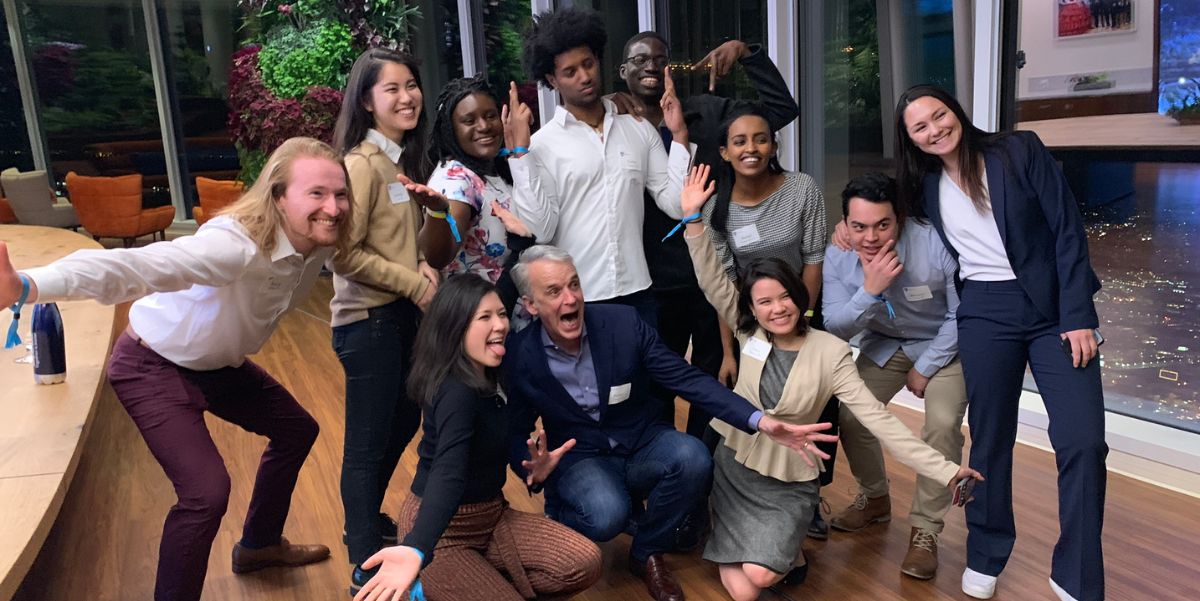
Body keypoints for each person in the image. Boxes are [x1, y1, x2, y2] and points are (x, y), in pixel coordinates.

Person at [0, 137, 343, 601]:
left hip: (218, 366)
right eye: (317, 193)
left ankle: (259, 547)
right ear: (278, 197)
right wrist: (28, 285)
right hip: (151, 365)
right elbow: (135, 266)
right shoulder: (233, 245)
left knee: (296, 430)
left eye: (340, 194)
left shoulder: (318, 240)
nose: (334, 207)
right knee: (206, 493)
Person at [680, 163, 983, 601]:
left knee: (757, 581)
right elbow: (711, 279)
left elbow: (882, 422)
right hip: (739, 463)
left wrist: (949, 470)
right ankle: (752, 542)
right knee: (745, 591)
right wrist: (692, 221)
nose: (777, 309)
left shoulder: (830, 352)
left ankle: (771, 547)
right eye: (764, 301)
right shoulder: (749, 331)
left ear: (801, 298)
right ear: (751, 307)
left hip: (789, 475)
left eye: (785, 297)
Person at [503, 245, 837, 601]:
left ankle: (646, 552)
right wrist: (530, 471)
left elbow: (686, 378)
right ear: (531, 305)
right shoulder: (520, 356)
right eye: (554, 292)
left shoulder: (623, 323)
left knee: (693, 457)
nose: (570, 299)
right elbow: (513, 428)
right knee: (604, 517)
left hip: (642, 439)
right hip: (582, 454)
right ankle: (576, 510)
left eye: (574, 285)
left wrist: (759, 420)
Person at [894, 84, 1106, 601]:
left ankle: (1075, 575)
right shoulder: (923, 186)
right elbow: (877, 208)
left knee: (1083, 440)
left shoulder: (1018, 150)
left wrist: (1078, 315)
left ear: (956, 112)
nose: (934, 129)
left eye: (938, 115)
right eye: (919, 127)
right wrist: (842, 231)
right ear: (910, 140)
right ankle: (987, 551)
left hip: (1054, 310)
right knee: (989, 438)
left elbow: (1067, 231)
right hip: (985, 313)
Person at [351, 275, 602, 601]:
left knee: (586, 561)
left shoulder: (490, 368)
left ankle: (475, 577)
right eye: (484, 317)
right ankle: (432, 580)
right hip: (443, 533)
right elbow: (449, 470)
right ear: (455, 328)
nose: (500, 324)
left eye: (501, 314)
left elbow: (508, 289)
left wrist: (532, 470)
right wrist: (417, 547)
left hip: (493, 518)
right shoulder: (457, 391)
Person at [613, 32, 800, 444]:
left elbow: (782, 109)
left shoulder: (711, 114)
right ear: (622, 71)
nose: (649, 65)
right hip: (653, 280)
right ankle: (667, 465)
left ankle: (704, 466)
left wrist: (748, 53)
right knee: (656, 379)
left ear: (669, 69)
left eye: (658, 59)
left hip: (714, 276)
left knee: (714, 379)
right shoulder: (616, 129)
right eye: (638, 59)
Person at [329, 47, 438, 592]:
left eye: (411, 84)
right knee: (367, 444)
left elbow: (392, 242)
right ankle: (364, 560)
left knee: (402, 423)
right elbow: (343, 254)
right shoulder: (360, 165)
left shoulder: (396, 164)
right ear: (367, 102)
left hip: (396, 319)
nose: (406, 96)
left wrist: (419, 261)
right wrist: (414, 282)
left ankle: (366, 526)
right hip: (367, 323)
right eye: (391, 88)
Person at [823, 172, 968, 580]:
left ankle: (926, 530)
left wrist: (926, 366)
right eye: (859, 226)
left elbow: (962, 313)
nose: (870, 237)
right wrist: (869, 291)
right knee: (851, 415)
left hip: (943, 345)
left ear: (899, 218)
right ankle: (875, 498)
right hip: (884, 343)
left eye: (882, 224)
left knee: (941, 426)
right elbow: (835, 326)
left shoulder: (933, 244)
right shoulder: (837, 255)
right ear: (845, 225)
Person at [702, 105, 837, 540]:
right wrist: (728, 351)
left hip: (803, 314)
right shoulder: (716, 208)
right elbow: (724, 285)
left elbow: (814, 260)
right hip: (752, 324)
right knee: (764, 407)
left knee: (816, 406)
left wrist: (803, 324)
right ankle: (756, 492)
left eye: (760, 138)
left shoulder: (801, 188)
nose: (752, 148)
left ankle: (809, 495)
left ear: (774, 145)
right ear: (724, 152)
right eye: (739, 141)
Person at [517, 6, 691, 325]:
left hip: (639, 294)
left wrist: (679, 135)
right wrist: (519, 155)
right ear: (551, 79)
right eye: (570, 72)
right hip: (577, 300)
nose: (584, 76)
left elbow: (676, 204)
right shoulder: (541, 146)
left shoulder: (638, 129)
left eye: (588, 64)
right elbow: (540, 229)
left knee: (641, 376)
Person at [417, 74, 537, 316]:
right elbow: (439, 255)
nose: (483, 126)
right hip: (480, 324)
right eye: (469, 120)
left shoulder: (494, 166)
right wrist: (438, 213)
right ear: (451, 130)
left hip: (512, 317)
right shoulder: (457, 179)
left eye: (490, 115)